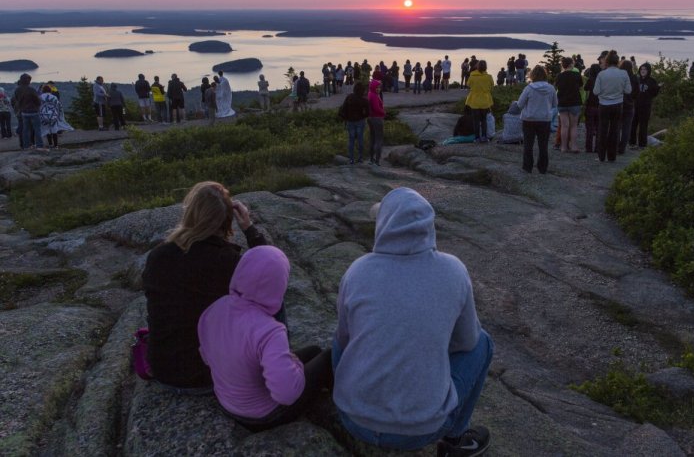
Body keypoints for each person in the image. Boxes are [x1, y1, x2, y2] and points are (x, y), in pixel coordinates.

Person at [333, 187, 493, 455]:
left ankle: (349, 393)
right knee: (483, 343)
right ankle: (454, 441)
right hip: (422, 429)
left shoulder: (357, 270)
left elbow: (344, 340)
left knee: (339, 337)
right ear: (428, 227)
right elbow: (467, 342)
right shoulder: (453, 269)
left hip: (353, 419)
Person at [142, 181, 270, 392]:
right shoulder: (226, 261)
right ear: (226, 220)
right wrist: (249, 228)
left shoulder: (158, 256)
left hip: (162, 370)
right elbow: (270, 274)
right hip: (206, 375)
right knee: (269, 304)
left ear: (189, 213)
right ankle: (275, 358)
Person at [198, 246, 332, 431]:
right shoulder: (270, 331)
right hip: (264, 416)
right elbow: (286, 395)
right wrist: (296, 367)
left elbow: (206, 357)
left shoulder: (214, 309)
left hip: (227, 402)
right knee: (328, 357)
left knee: (313, 351)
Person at [517, 65, 558, 173]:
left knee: (528, 145)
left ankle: (527, 167)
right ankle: (542, 168)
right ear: (545, 75)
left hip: (529, 119)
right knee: (543, 146)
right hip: (545, 120)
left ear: (532, 75)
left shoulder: (529, 88)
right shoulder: (551, 88)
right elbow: (555, 104)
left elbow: (520, 104)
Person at [593, 50, 631, 162]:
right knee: (615, 130)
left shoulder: (601, 74)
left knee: (603, 130)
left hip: (604, 105)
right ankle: (612, 156)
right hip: (618, 105)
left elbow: (596, 91)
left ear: (607, 61)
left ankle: (601, 156)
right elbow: (628, 90)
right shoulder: (624, 74)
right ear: (617, 61)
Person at [555, 57, 584, 152]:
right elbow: (580, 86)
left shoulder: (559, 76)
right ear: (571, 64)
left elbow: (557, 87)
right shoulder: (577, 75)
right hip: (574, 102)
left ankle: (563, 147)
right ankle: (574, 146)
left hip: (562, 102)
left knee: (564, 126)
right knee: (573, 126)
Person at [630, 63, 660, 149]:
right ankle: (632, 143)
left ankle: (642, 144)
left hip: (645, 106)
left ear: (648, 71)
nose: (643, 71)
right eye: (641, 69)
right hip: (635, 105)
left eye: (645, 69)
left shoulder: (652, 81)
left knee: (643, 125)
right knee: (633, 124)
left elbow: (654, 94)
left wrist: (658, 88)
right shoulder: (637, 79)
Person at [340, 81, 370, 164]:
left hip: (350, 121)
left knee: (351, 140)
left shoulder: (349, 97)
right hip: (360, 121)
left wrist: (345, 118)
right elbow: (368, 112)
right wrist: (363, 116)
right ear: (362, 90)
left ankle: (351, 159)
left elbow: (343, 109)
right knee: (360, 139)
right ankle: (360, 158)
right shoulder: (364, 100)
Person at [465, 60, 494, 143]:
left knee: (476, 121)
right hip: (485, 101)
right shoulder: (489, 77)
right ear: (485, 67)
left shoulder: (472, 76)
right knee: (484, 120)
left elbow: (468, 85)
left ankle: (477, 138)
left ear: (477, 67)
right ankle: (484, 137)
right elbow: (492, 86)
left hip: (474, 101)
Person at [14, 73, 44, 149]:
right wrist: (37, 106)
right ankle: (39, 145)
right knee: (37, 129)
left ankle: (26, 146)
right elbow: (37, 100)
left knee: (25, 130)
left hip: (24, 112)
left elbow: (17, 100)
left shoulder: (17, 90)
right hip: (34, 111)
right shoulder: (32, 89)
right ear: (28, 81)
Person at [617, 60, 639, 154]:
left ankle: (616, 145)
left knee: (616, 126)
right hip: (630, 104)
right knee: (627, 128)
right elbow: (637, 92)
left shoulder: (619, 77)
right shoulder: (634, 78)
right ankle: (622, 148)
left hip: (618, 103)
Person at [583, 64, 602, 153]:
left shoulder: (591, 80)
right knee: (599, 128)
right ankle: (597, 147)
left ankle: (588, 147)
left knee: (589, 128)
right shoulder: (602, 79)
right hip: (600, 105)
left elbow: (585, 88)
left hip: (590, 105)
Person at [367, 79, 385, 166]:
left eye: (379, 87)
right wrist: (384, 113)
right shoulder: (374, 95)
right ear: (373, 87)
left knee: (372, 139)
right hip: (377, 119)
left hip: (371, 119)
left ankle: (371, 159)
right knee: (379, 140)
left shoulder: (370, 93)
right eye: (377, 87)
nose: (379, 89)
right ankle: (377, 160)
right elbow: (377, 108)